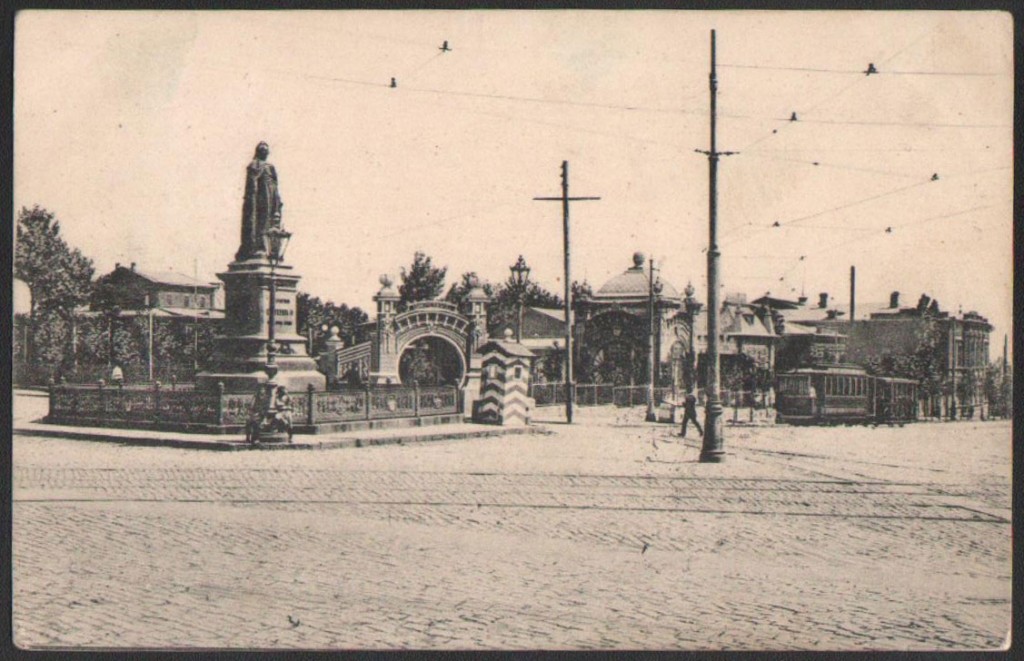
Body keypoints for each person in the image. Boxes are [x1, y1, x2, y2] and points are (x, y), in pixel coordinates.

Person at [236, 141, 283, 261]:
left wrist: (277, 199)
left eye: (266, 151)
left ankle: (271, 247)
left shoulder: (270, 166)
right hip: (260, 199)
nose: (265, 153)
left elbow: (275, 183)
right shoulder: (254, 165)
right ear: (258, 152)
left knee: (271, 220)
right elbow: (251, 184)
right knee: (260, 221)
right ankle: (258, 246)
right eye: (263, 151)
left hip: (272, 197)